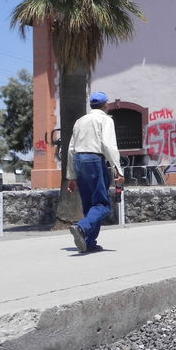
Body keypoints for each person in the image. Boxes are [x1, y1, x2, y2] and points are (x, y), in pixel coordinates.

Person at [66, 91, 124, 253]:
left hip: (78, 160)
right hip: (94, 160)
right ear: (106, 105)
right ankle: (82, 228)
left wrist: (71, 177)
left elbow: (70, 149)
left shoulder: (80, 121)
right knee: (102, 205)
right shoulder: (105, 120)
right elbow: (108, 145)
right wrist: (118, 170)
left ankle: (88, 242)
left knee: (89, 205)